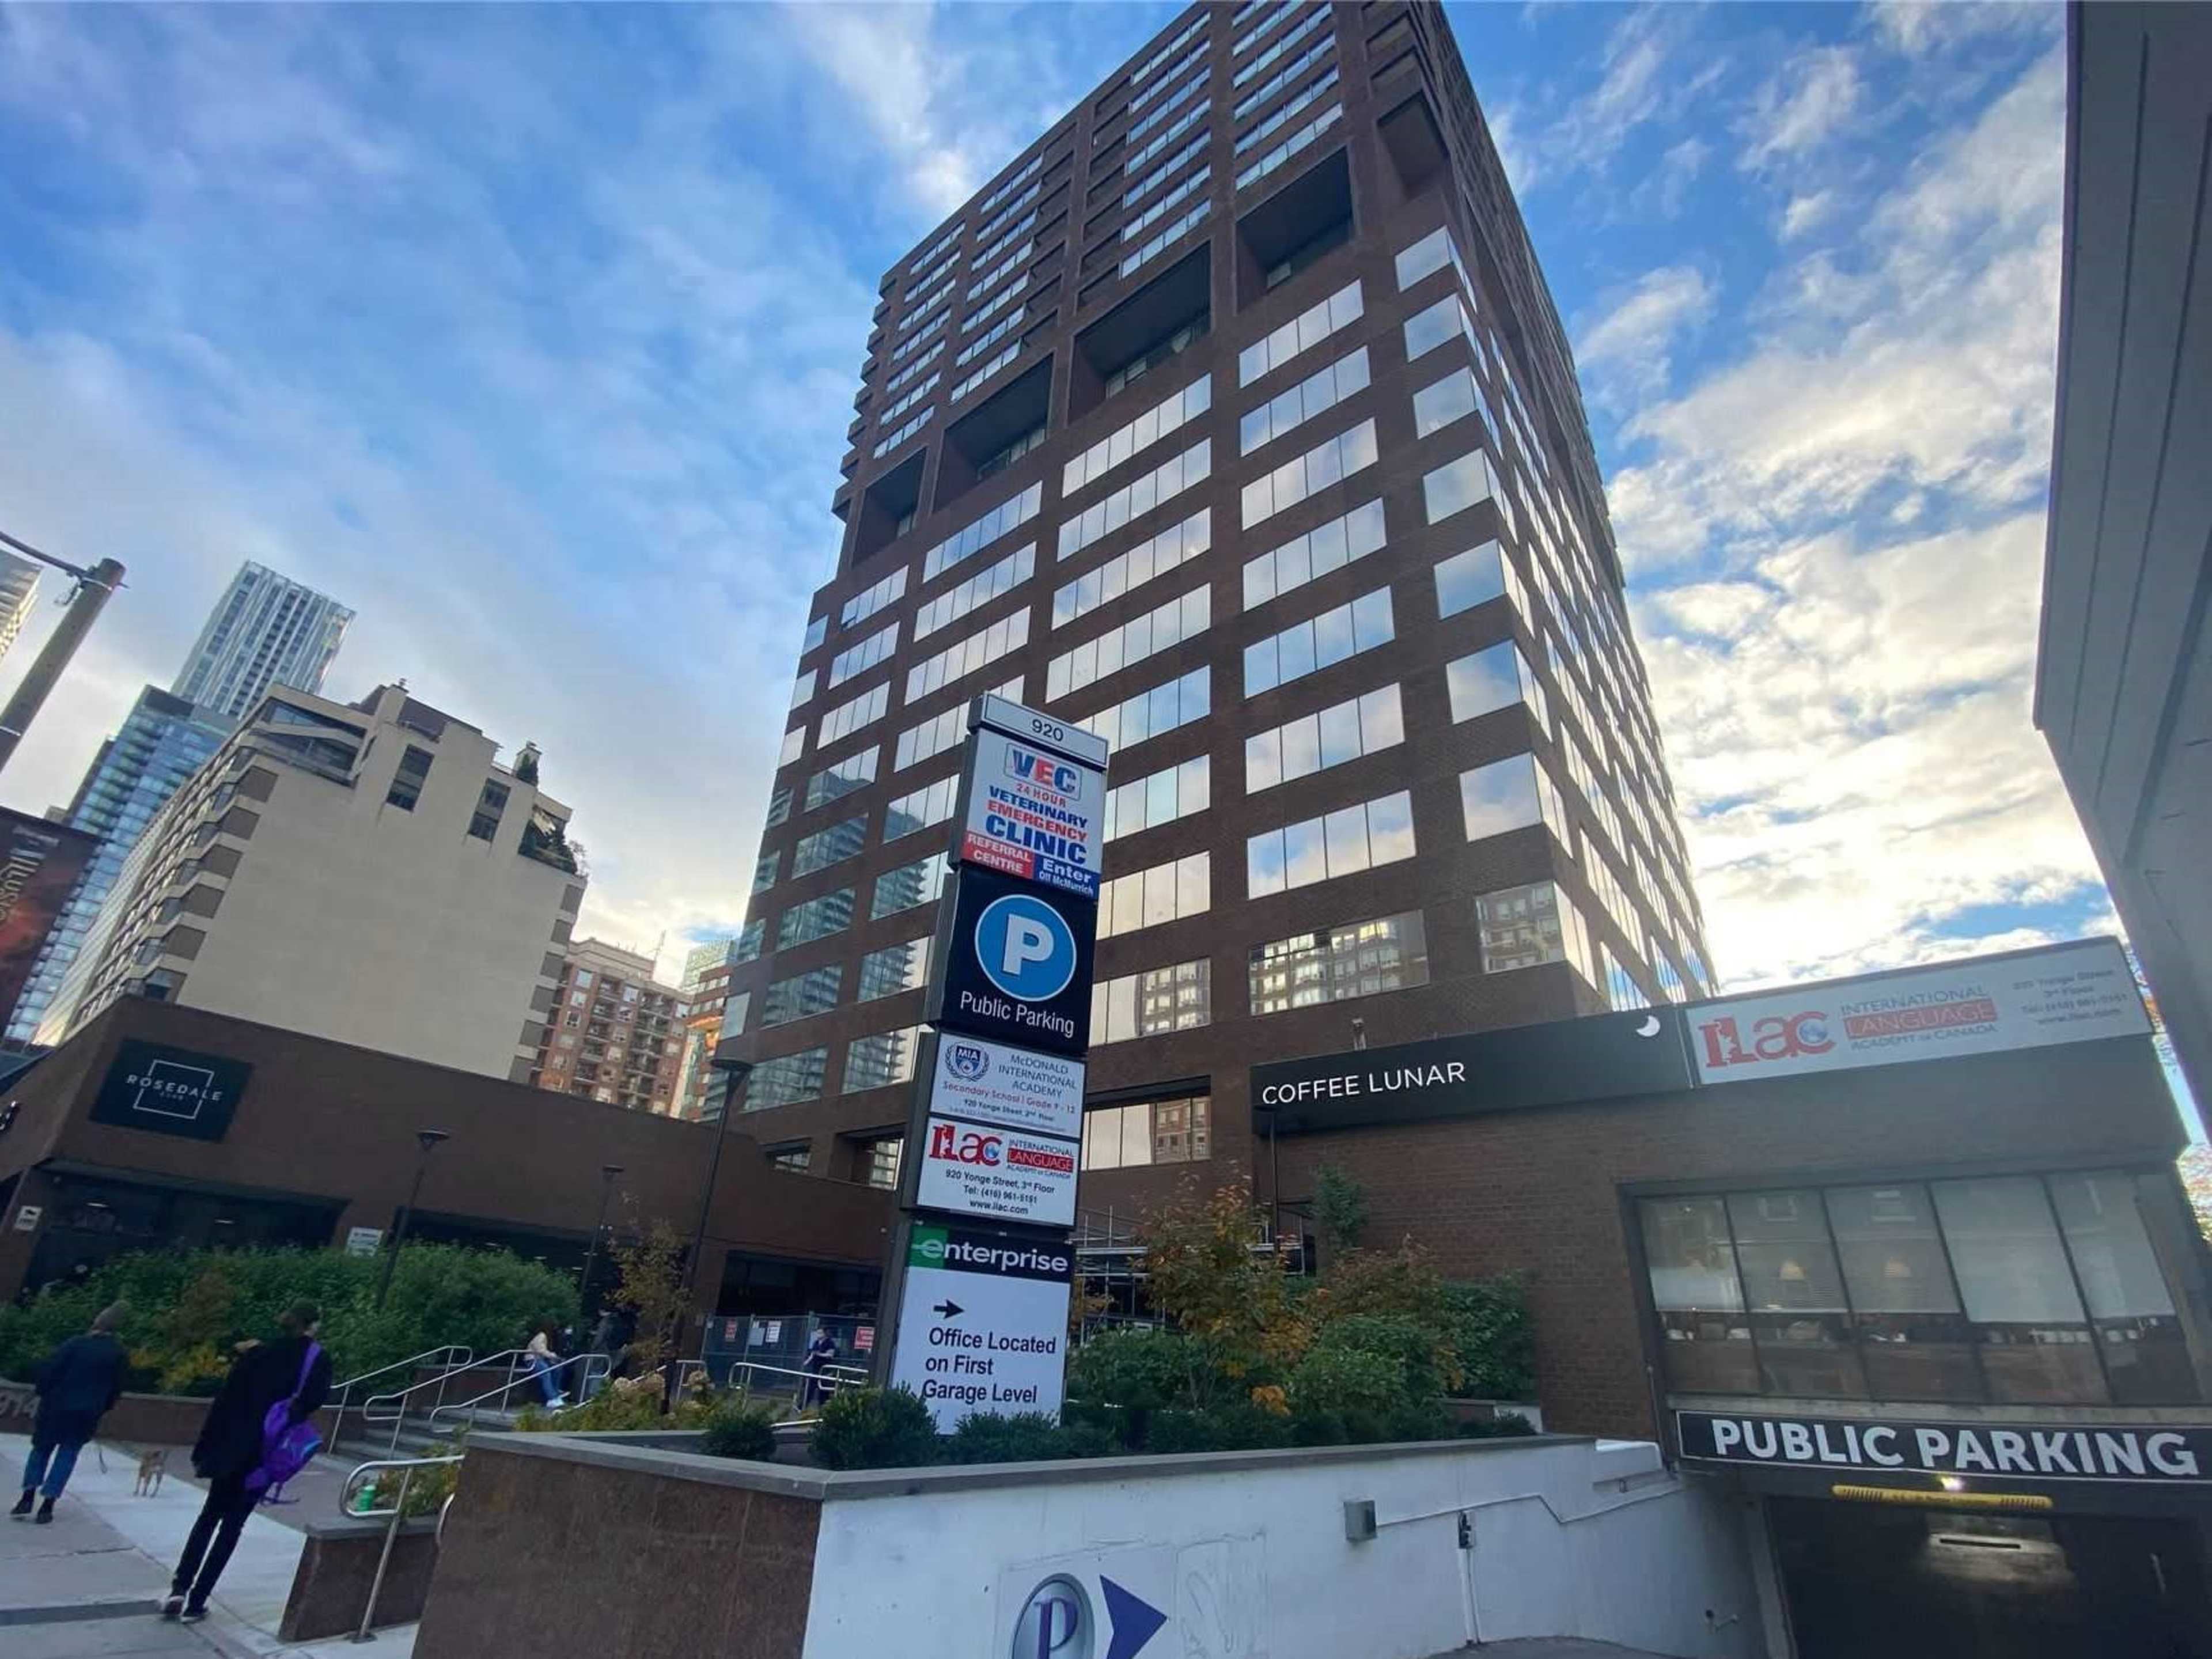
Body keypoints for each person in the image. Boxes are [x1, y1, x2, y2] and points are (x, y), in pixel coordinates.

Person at [162, 1303, 331, 1624]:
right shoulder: (315, 1360)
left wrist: (206, 1449)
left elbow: (225, 1401)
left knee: (209, 1516)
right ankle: (198, 1600)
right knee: (232, 1525)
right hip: (265, 1454)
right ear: (314, 1325)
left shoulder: (257, 1355)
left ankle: (179, 1588)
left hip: (230, 1448)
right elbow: (313, 1402)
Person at [13, 1303, 130, 1524]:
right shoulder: (117, 1354)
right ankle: (48, 1505)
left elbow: (50, 1371)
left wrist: (40, 1392)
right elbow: (116, 1388)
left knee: (41, 1449)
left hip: (55, 1408)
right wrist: (102, 1409)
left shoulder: (74, 1345)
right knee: (67, 1455)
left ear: (96, 1323)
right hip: (86, 1413)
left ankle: (27, 1497)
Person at [524, 1321, 567, 1407]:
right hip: (533, 1360)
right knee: (546, 1373)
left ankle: (555, 1395)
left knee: (557, 1369)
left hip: (540, 1359)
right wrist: (553, 1356)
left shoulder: (546, 1337)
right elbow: (540, 1350)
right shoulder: (542, 1336)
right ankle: (553, 1398)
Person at [800, 1326, 838, 1410]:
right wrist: (807, 1362)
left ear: (825, 1334)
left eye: (820, 1333)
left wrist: (820, 1354)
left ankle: (824, 1408)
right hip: (816, 1369)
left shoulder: (830, 1342)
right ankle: (802, 1406)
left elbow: (830, 1355)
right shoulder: (816, 1342)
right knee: (810, 1388)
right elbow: (813, 1354)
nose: (818, 1335)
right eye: (817, 1333)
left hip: (825, 1370)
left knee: (823, 1390)